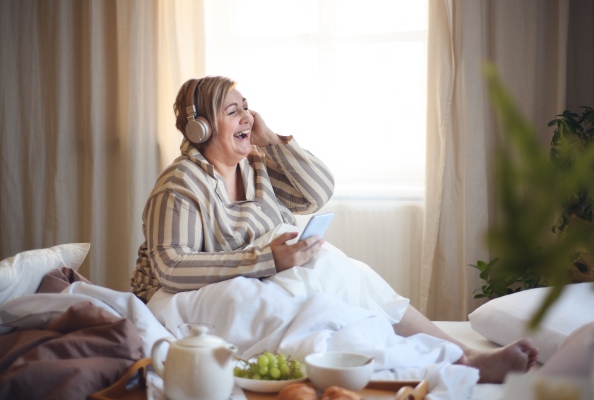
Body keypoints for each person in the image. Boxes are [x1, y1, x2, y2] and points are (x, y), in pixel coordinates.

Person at [131, 76, 538, 383]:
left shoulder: (254, 166)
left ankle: (462, 354)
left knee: (350, 273)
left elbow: (317, 192)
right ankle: (434, 367)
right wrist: (268, 258)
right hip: (187, 296)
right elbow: (171, 267)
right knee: (315, 311)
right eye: (232, 110)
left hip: (256, 275)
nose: (247, 117)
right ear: (199, 127)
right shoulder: (180, 184)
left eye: (247, 107)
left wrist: (272, 140)